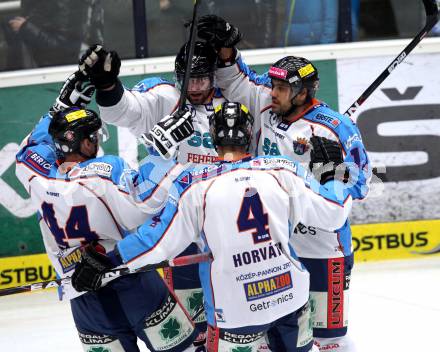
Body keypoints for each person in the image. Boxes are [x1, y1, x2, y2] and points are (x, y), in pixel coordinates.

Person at [70, 101, 354, 352]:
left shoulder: (193, 184)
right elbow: (334, 214)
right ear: (249, 135)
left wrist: (110, 261)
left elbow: (155, 242)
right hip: (289, 297)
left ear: (213, 139)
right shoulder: (282, 169)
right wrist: (332, 175)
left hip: (235, 309)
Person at [196, 15, 371, 352]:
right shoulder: (264, 103)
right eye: (273, 86)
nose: (272, 93)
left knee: (328, 339)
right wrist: (228, 51)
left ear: (303, 93)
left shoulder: (335, 130)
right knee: (271, 341)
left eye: (281, 88)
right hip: (275, 250)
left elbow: (361, 185)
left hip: (323, 248)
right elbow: (236, 80)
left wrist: (332, 174)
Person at [15, 73, 199, 352]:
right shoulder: (105, 174)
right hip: (131, 281)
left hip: (84, 298)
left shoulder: (33, 172)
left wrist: (58, 107)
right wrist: (162, 152)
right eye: (92, 137)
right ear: (84, 142)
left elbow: (29, 148)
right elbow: (146, 202)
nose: (96, 142)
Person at [77, 40, 240, 345]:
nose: (194, 87)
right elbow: (123, 111)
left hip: (224, 227)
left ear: (215, 77)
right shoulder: (165, 97)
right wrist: (108, 84)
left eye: (202, 79)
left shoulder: (233, 104)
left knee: (233, 325)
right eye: (189, 79)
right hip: (176, 232)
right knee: (191, 332)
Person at [2, 0, 103, 69]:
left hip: (54, 72)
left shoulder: (71, 8)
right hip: (34, 68)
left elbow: (63, 47)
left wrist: (26, 28)